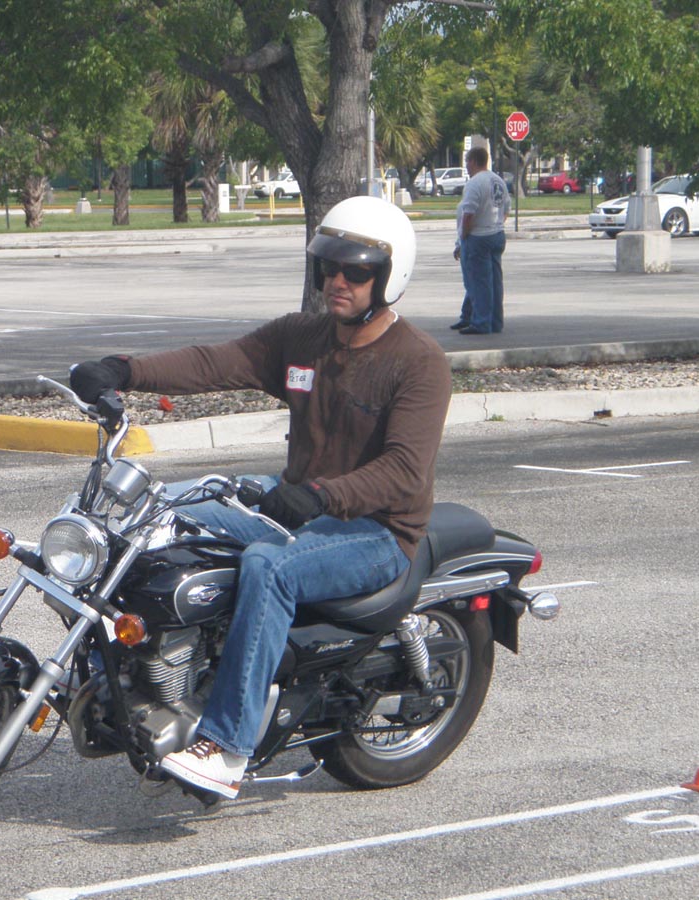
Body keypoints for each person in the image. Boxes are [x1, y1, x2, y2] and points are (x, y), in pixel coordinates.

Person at [69, 196, 451, 799]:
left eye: (355, 271)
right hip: (301, 501)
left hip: (376, 531)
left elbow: (404, 471)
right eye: (328, 266)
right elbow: (216, 362)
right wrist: (123, 370)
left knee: (268, 567)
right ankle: (122, 671)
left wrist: (321, 495)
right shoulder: (304, 337)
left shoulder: (419, 362)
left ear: (389, 276)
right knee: (161, 511)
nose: (337, 281)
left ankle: (228, 746)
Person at [452, 147, 509, 335]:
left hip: (479, 236)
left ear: (473, 161)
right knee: (495, 282)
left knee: (479, 282)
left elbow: (469, 213)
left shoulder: (475, 183)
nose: (466, 167)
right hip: (497, 234)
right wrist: (495, 224)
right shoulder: (498, 181)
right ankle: (495, 322)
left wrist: (464, 236)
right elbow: (506, 209)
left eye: (467, 162)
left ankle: (481, 322)